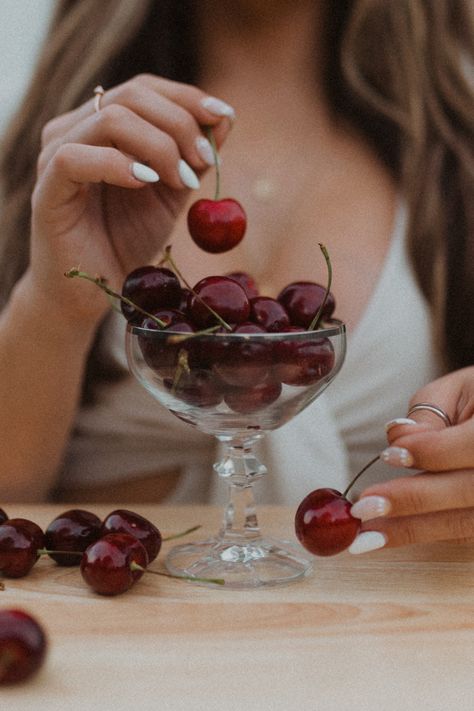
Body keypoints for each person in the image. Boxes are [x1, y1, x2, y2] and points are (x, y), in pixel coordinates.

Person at [0, 0, 472, 553]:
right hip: (118, 627)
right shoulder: (63, 158)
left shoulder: (456, 166)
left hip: (383, 629)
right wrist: (58, 305)